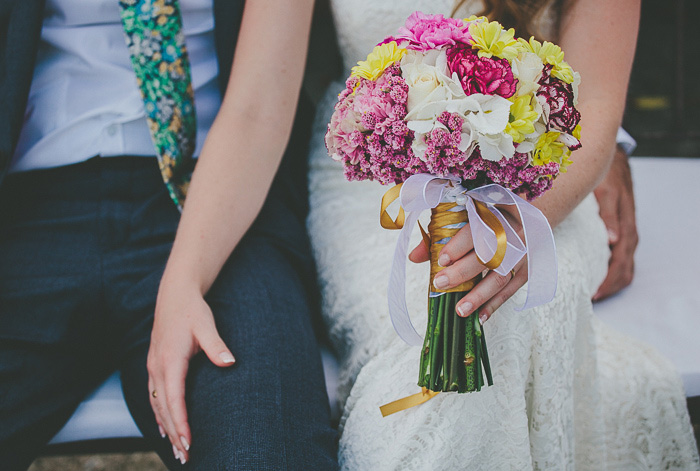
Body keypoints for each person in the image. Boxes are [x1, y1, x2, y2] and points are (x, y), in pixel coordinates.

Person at [307, 0, 700, 469]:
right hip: (373, 179)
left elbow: (594, 100)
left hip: (541, 177)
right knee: (425, 327)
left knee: (504, 313)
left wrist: (522, 222)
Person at [0, 1, 338, 469]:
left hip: (222, 197)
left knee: (265, 450)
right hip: (28, 203)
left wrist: (185, 282)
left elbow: (259, 107)